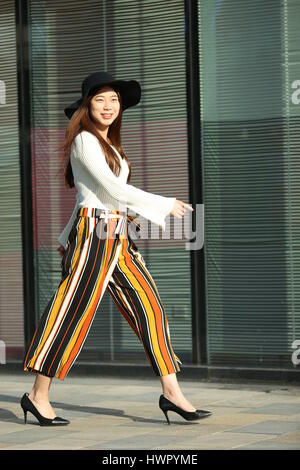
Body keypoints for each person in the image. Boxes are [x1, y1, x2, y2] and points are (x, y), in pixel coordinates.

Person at [21, 72, 212, 426]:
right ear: (86, 106)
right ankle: (38, 395)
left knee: (150, 307)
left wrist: (65, 238)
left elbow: (95, 196)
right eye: (100, 100)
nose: (109, 106)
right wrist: (164, 203)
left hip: (115, 234)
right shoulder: (83, 140)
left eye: (114, 100)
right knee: (72, 312)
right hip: (96, 234)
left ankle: (172, 393)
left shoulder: (110, 146)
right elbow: (110, 191)